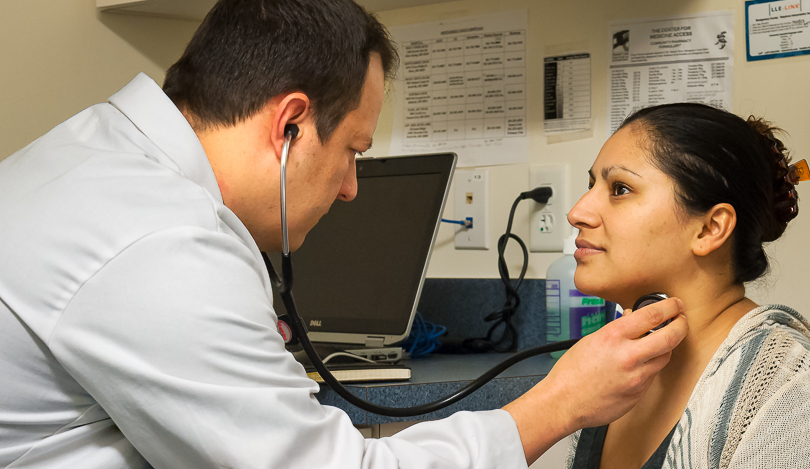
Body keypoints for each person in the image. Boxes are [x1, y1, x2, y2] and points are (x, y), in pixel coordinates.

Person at [0, 1, 688, 467]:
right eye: (354, 150)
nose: (352, 186)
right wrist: (561, 401)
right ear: (291, 124)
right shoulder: (158, 240)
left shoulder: (95, 157)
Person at [565, 103, 810, 469]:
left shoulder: (788, 389)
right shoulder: (613, 367)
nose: (577, 212)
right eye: (592, 185)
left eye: (619, 188)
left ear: (710, 229)